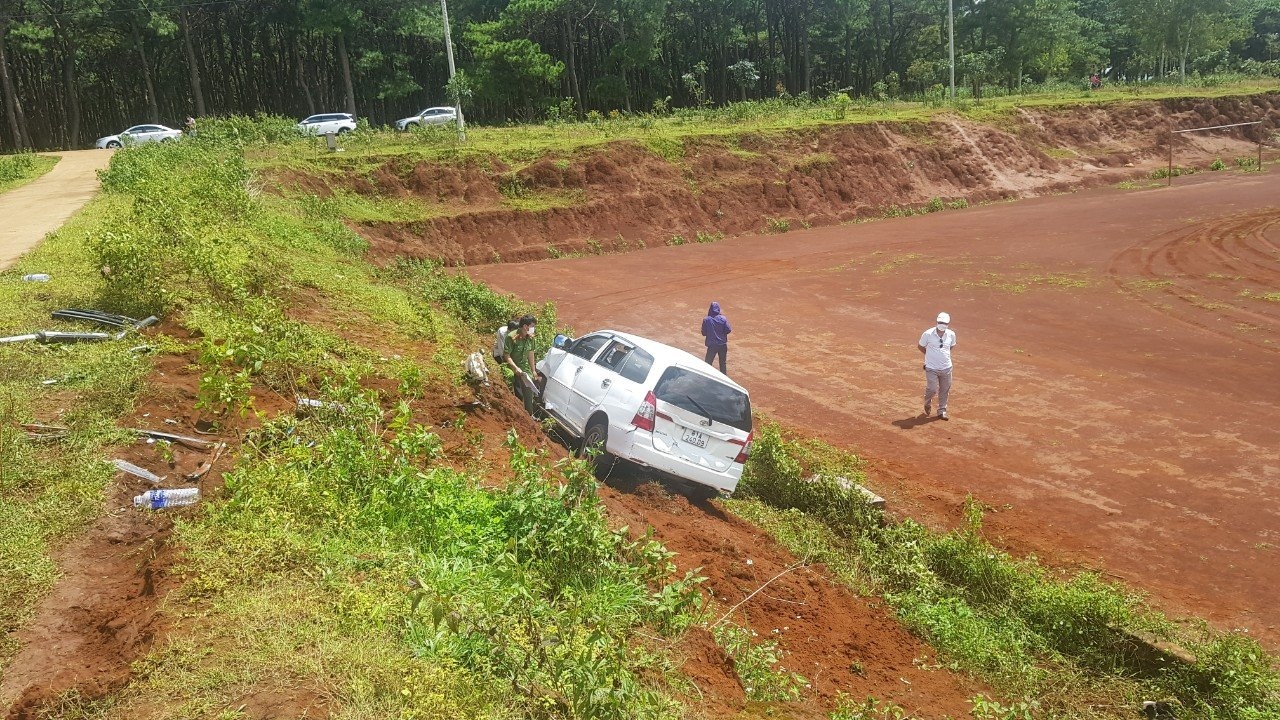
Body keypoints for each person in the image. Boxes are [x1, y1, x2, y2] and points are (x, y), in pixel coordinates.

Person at [918, 311, 957, 420]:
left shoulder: (951, 334)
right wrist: (930, 355)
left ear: (948, 324)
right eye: (940, 322)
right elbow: (920, 346)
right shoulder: (927, 334)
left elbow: (950, 347)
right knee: (932, 389)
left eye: (944, 323)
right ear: (936, 322)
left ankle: (942, 410)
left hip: (947, 368)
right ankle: (927, 402)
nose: (942, 324)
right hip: (931, 368)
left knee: (945, 390)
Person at [503, 315, 540, 414]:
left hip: (524, 368)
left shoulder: (531, 338)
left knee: (529, 390)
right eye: (532, 326)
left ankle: (529, 415)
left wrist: (533, 370)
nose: (533, 329)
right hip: (511, 367)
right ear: (525, 326)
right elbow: (506, 356)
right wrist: (515, 368)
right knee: (511, 381)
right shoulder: (511, 337)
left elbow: (530, 354)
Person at [701, 301, 731, 374]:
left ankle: (707, 377)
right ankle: (724, 379)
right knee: (723, 364)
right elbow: (728, 330)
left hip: (712, 345)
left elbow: (703, 333)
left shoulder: (706, 320)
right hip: (723, 345)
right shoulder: (723, 318)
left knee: (708, 363)